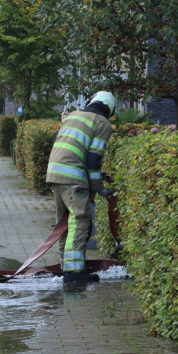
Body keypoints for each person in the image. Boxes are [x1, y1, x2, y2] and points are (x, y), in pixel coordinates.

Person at [46, 91, 115, 283]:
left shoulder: (72, 116)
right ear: (109, 109)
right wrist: (99, 188)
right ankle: (75, 273)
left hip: (55, 172)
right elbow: (93, 160)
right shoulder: (102, 123)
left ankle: (65, 266)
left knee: (64, 223)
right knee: (80, 220)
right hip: (73, 176)